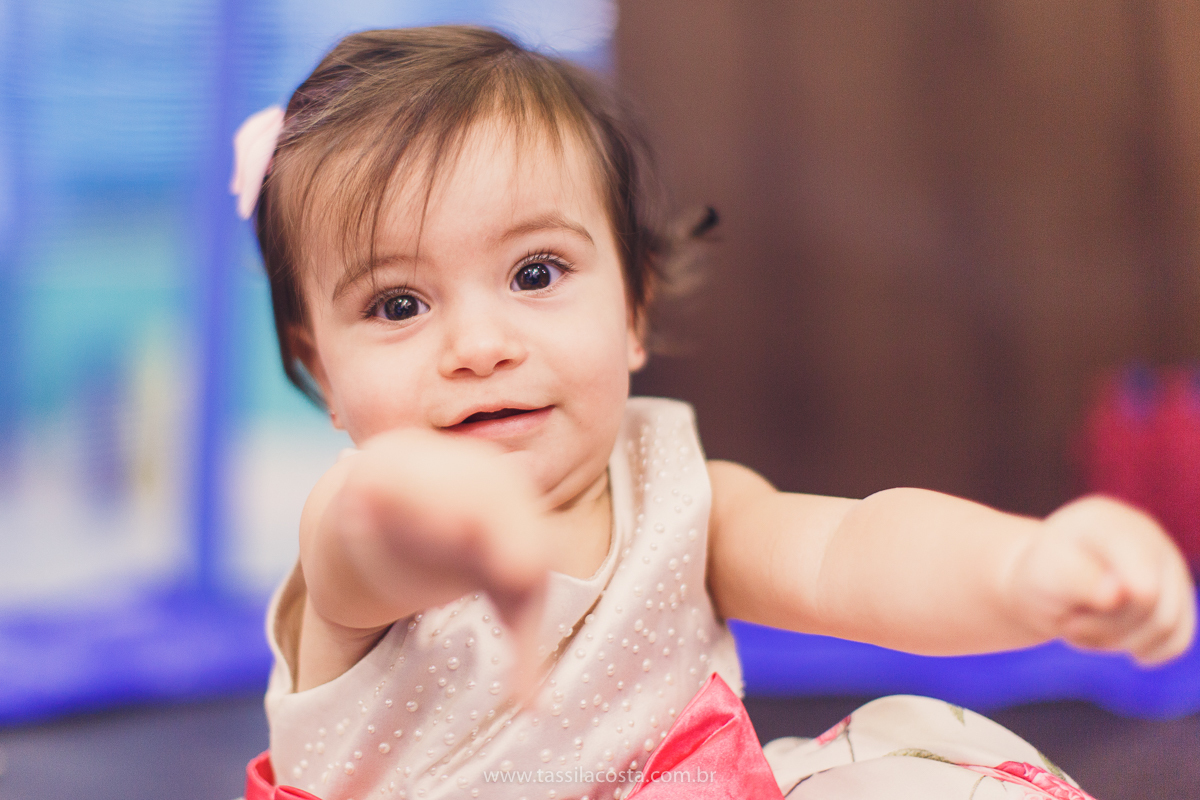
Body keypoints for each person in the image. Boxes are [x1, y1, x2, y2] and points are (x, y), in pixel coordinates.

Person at [231, 25, 1196, 800]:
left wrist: (1022, 569)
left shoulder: (679, 492)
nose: (479, 346)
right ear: (321, 371)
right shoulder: (351, 546)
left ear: (635, 310)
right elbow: (373, 531)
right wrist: (463, 529)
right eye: (398, 305)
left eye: (536, 273)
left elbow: (852, 553)